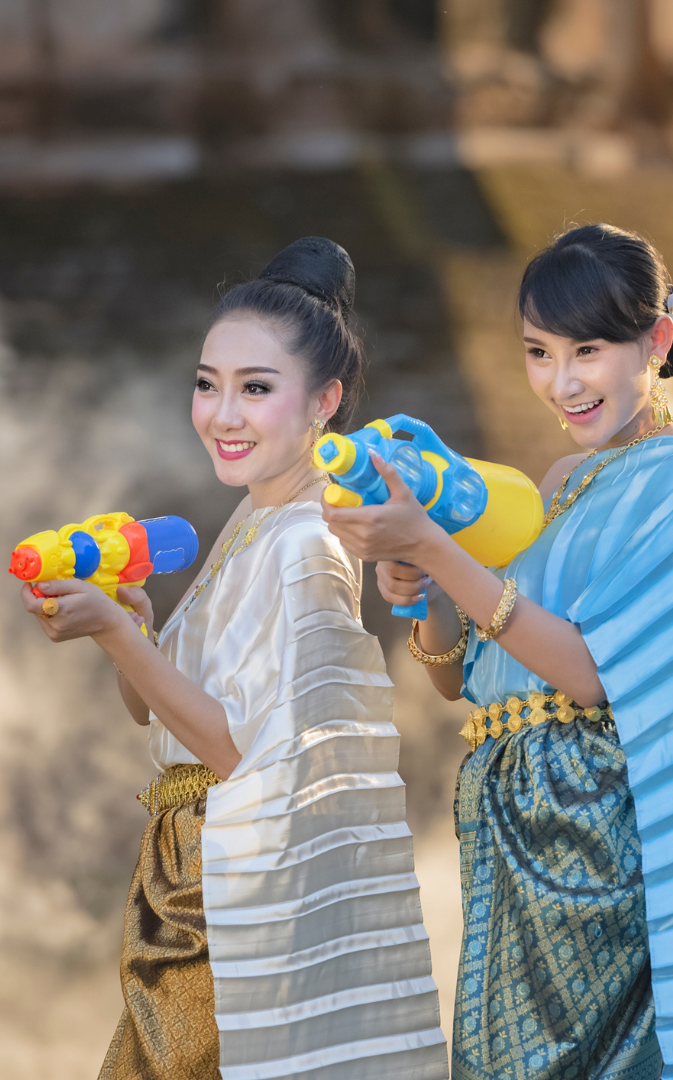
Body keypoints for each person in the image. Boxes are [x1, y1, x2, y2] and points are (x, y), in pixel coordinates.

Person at [322, 223, 673, 1080]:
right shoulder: (553, 483)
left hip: (591, 827)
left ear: (656, 342)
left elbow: (587, 675)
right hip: (506, 813)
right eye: (538, 353)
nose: (563, 381)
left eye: (587, 349)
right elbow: (457, 679)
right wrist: (423, 583)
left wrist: (443, 554)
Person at [22, 237, 447, 1080]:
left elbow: (241, 755)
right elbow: (153, 711)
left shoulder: (307, 542)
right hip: (181, 869)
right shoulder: (254, 520)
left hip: (232, 890)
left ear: (324, 400)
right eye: (207, 384)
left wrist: (112, 631)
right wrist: (135, 630)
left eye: (255, 389)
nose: (222, 413)